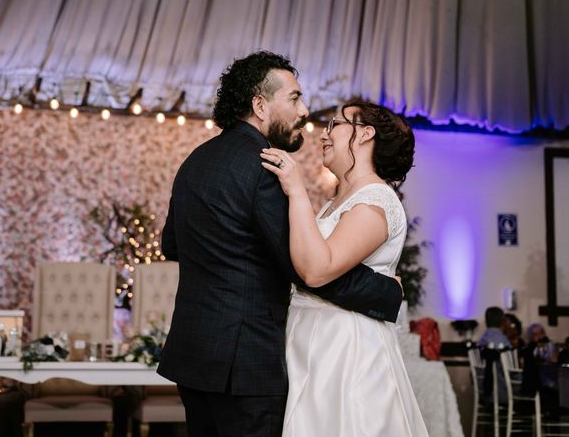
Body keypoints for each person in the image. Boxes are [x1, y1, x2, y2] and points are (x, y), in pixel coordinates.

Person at [159, 51, 404, 437]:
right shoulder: (264, 167)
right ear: (260, 105)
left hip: (193, 355)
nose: (304, 111)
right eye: (293, 98)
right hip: (245, 363)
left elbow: (171, 245)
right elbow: (306, 268)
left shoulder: (196, 161)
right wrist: (384, 290)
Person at [261, 100, 428, 435]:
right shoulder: (338, 201)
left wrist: (296, 191)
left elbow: (318, 270)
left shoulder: (375, 200)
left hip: (345, 347)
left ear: (365, 134)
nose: (324, 135)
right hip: (308, 337)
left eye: (335, 124)